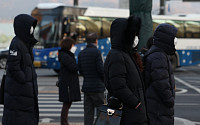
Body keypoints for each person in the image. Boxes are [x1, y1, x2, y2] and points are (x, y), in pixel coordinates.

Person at [104, 16, 148, 125]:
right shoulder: (117, 55)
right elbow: (118, 85)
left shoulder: (124, 54)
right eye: (132, 34)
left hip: (133, 114)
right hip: (128, 114)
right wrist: (135, 102)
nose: (135, 37)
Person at [2, 14, 39, 125]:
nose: (32, 29)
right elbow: (14, 66)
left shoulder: (24, 43)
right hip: (19, 94)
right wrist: (24, 79)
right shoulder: (16, 43)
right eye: (30, 26)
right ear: (23, 27)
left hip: (23, 95)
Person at [144, 23, 177, 125]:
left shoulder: (158, 54)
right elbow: (161, 83)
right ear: (166, 38)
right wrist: (170, 100)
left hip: (156, 106)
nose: (175, 40)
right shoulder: (159, 56)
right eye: (173, 37)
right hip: (159, 108)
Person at [78, 33, 105, 125]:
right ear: (96, 41)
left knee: (88, 113)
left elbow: (80, 70)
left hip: (87, 87)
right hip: (97, 87)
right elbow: (101, 70)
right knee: (101, 111)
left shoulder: (81, 53)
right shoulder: (97, 52)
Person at [58, 37, 81, 125]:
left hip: (67, 82)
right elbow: (73, 68)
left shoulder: (65, 55)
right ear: (69, 46)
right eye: (73, 45)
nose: (74, 47)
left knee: (67, 104)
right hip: (67, 84)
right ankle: (64, 122)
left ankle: (64, 122)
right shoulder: (66, 56)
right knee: (66, 104)